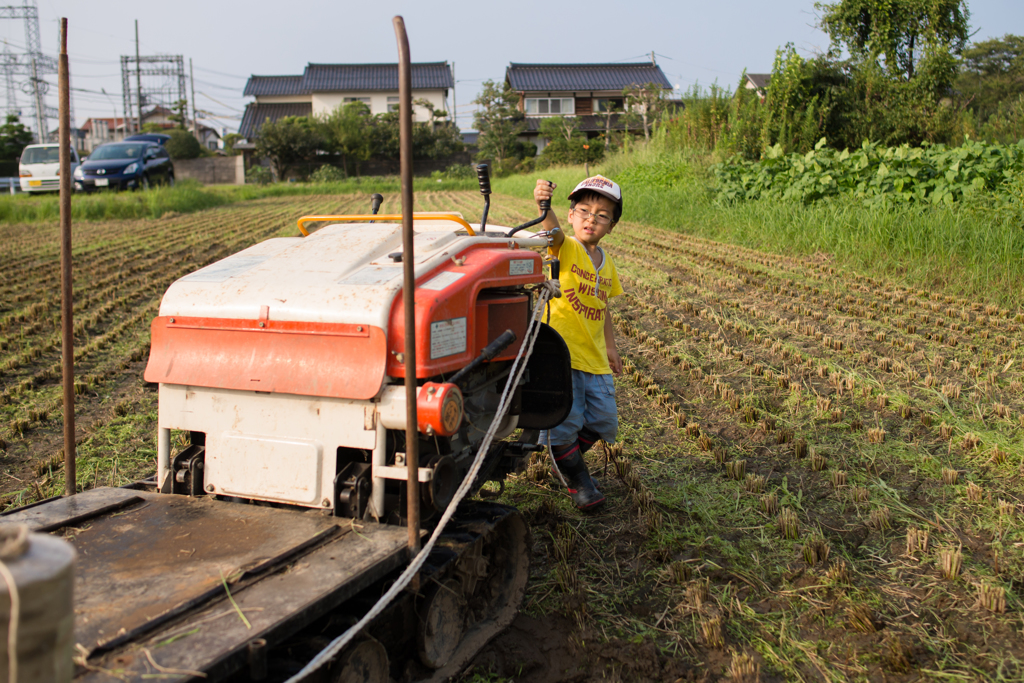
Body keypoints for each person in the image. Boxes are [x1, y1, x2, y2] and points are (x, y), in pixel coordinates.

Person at [533, 175, 624, 510]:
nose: (591, 219)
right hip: (562, 354)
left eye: (602, 215)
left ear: (611, 226)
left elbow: (604, 308)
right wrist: (544, 205)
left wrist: (611, 347)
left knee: (603, 420)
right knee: (564, 424)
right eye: (584, 210)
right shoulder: (565, 247)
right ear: (571, 215)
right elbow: (551, 231)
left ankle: (567, 461)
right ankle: (578, 482)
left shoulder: (608, 264)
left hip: (595, 356)